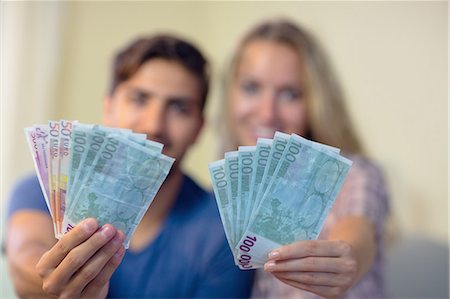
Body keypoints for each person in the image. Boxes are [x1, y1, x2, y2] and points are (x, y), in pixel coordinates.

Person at [6, 34, 254, 298]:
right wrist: (54, 283)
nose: (154, 125)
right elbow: (25, 263)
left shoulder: (224, 231)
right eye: (139, 99)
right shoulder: (46, 190)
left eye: (179, 107)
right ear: (109, 107)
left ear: (198, 128)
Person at [221, 18, 389, 299]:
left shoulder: (355, 175)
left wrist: (346, 259)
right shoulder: (233, 192)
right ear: (230, 94)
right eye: (251, 87)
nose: (266, 113)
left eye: (290, 94)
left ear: (315, 102)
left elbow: (357, 230)